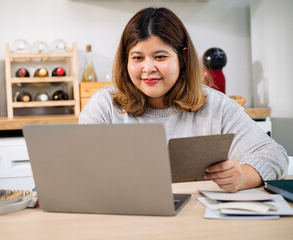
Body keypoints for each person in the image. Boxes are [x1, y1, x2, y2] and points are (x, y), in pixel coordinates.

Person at [78, 7, 288, 192]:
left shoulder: (216, 107)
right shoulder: (103, 106)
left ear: (183, 57)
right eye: (137, 57)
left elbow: (274, 155)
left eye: (160, 57)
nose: (148, 68)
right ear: (126, 61)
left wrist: (242, 176)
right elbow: (79, 169)